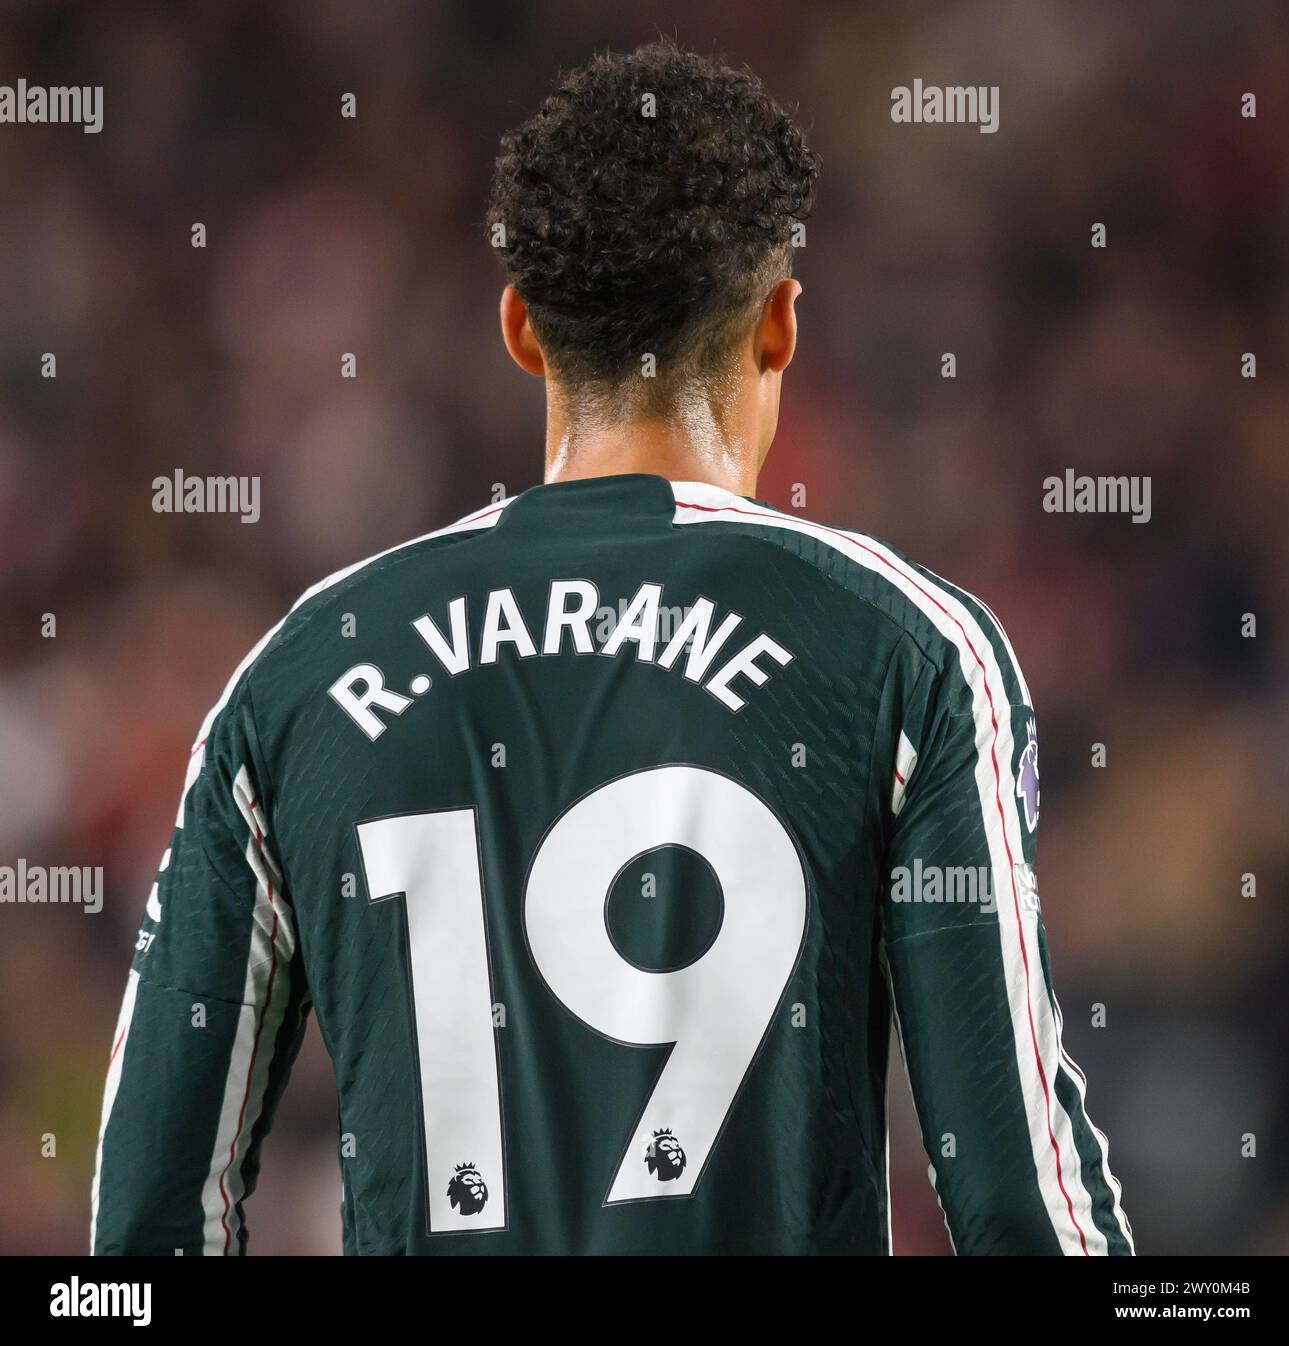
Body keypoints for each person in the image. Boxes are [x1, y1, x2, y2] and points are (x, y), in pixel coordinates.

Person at [91, 41, 1132, 1256]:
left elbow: (146, 1228)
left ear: (522, 329)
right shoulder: (909, 647)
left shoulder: (305, 669)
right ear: (783, 322)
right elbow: (1019, 1203)